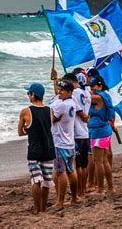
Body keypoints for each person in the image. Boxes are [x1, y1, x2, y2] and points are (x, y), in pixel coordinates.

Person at [18, 83, 55, 214]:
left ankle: (37, 208)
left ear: (33, 95)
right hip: (49, 148)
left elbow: (20, 132)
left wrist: (28, 130)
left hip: (34, 150)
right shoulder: (50, 110)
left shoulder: (26, 111)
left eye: (29, 93)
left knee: (36, 180)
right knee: (46, 181)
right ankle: (43, 208)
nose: (28, 96)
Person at [50, 79, 78, 207]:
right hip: (70, 142)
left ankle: (60, 201)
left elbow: (51, 119)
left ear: (69, 92)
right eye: (59, 90)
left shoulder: (61, 105)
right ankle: (74, 197)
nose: (59, 92)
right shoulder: (72, 102)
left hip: (60, 143)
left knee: (60, 172)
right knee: (71, 171)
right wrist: (55, 83)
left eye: (62, 91)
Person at [65, 71, 91, 199]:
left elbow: (80, 113)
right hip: (85, 133)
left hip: (77, 133)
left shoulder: (74, 94)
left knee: (78, 165)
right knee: (84, 165)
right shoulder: (86, 93)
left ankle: (79, 192)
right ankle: (83, 191)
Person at [88, 75, 115, 194]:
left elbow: (83, 98)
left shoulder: (98, 98)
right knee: (104, 161)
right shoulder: (106, 96)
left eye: (93, 86)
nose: (91, 88)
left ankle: (100, 188)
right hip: (105, 129)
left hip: (99, 132)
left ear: (100, 85)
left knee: (98, 161)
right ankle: (110, 187)